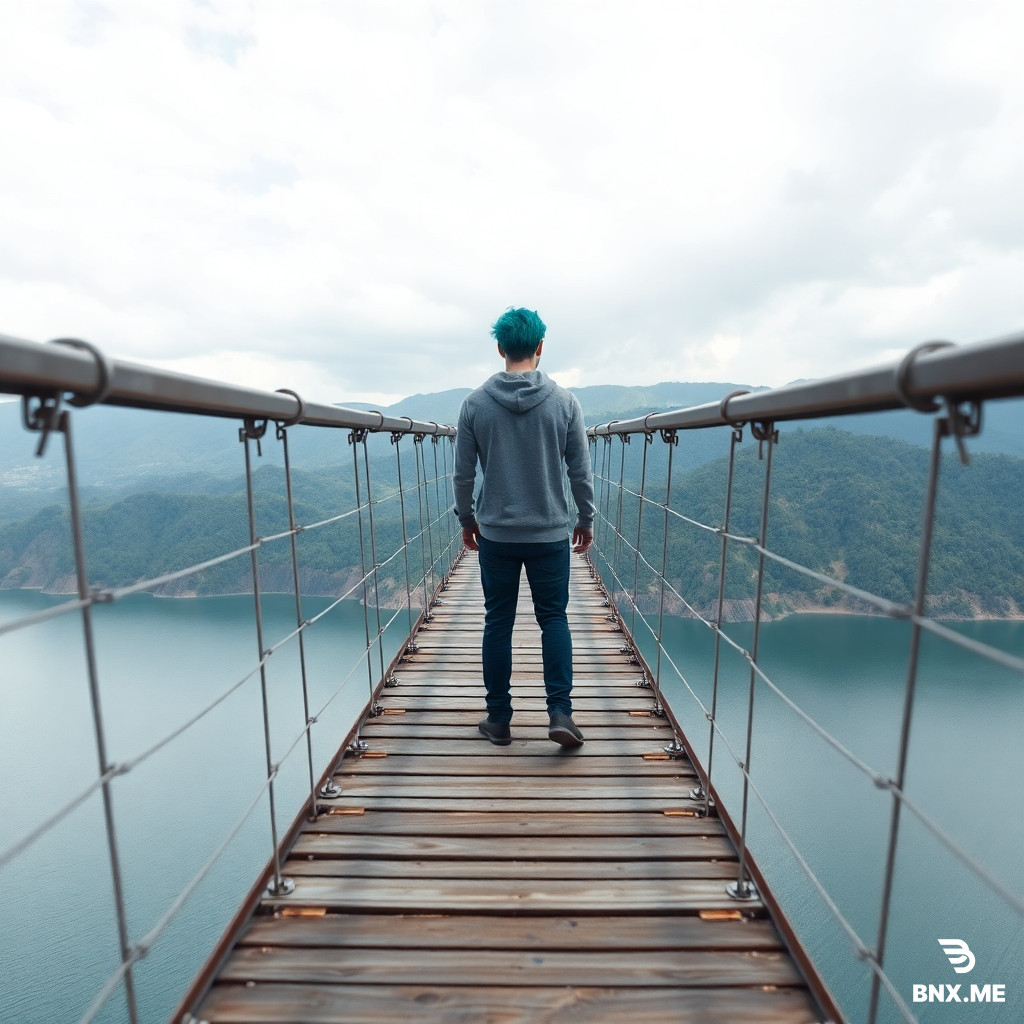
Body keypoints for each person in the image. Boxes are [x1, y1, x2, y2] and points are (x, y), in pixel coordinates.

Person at [452, 307, 595, 748]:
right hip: (551, 531)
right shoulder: (565, 403)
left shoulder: (475, 404)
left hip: (496, 533)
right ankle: (560, 713)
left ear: (500, 348)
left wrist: (467, 519)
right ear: (540, 347)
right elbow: (580, 472)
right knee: (553, 619)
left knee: (498, 621)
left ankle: (498, 720)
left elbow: (462, 475)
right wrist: (586, 517)